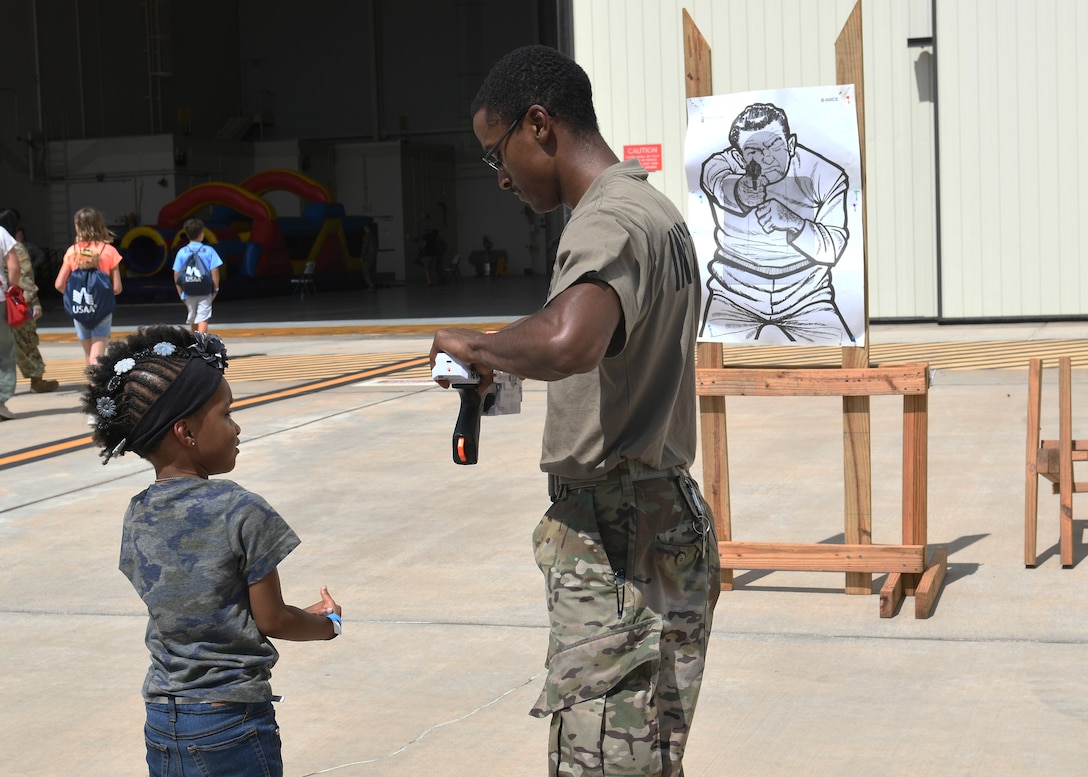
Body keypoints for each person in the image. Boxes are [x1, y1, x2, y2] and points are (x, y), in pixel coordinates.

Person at [429, 45, 719, 777]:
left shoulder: (605, 221)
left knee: (601, 763)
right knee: (646, 755)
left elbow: (569, 340)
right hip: (660, 510)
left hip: (617, 536)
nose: (500, 178)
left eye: (498, 154)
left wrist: (480, 347)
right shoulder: (655, 212)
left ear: (540, 126)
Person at [81, 324, 343, 777]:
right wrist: (327, 624)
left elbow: (195, 609)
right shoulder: (239, 508)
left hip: (164, 721)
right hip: (230, 722)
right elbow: (273, 619)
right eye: (226, 414)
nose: (236, 427)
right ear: (185, 432)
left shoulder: (137, 513)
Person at [698, 102, 854, 343]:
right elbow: (714, 176)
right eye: (753, 151)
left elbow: (833, 248)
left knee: (841, 359)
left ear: (791, 145)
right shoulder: (725, 164)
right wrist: (739, 191)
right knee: (710, 363)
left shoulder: (824, 175)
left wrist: (793, 222)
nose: (766, 158)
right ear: (739, 156)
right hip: (734, 292)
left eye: (773, 145)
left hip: (806, 295)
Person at [54, 206, 124, 367]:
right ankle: (96, 389)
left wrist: (73, 295)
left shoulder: (72, 251)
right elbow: (117, 288)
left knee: (89, 357)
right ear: (100, 224)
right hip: (101, 309)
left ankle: (92, 386)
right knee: (97, 357)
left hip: (80, 308)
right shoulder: (109, 251)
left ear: (77, 225)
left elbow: (59, 284)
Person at [0, 215, 59, 393]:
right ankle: (36, 380)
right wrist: (34, 304)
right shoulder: (15, 248)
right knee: (26, 340)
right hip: (15, 301)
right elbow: (24, 277)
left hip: (10, 299)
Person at [172, 218, 222, 333]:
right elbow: (214, 270)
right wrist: (215, 289)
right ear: (202, 234)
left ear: (187, 234)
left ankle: (194, 344)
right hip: (205, 290)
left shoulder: (182, 252)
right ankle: (201, 345)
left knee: (193, 318)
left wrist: (180, 292)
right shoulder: (209, 250)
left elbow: (176, 273)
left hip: (188, 290)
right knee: (203, 318)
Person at [0, 220, 21, 420]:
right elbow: (14, 267)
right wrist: (11, 289)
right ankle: (0, 401)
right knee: (4, 350)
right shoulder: (1, 233)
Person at [360, 221, 378, 292]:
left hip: (368, 256)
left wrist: (362, 256)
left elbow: (365, 247)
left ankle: (371, 286)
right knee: (372, 271)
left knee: (365, 271)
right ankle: (373, 284)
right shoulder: (373, 236)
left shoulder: (366, 236)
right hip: (374, 255)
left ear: (366, 228)